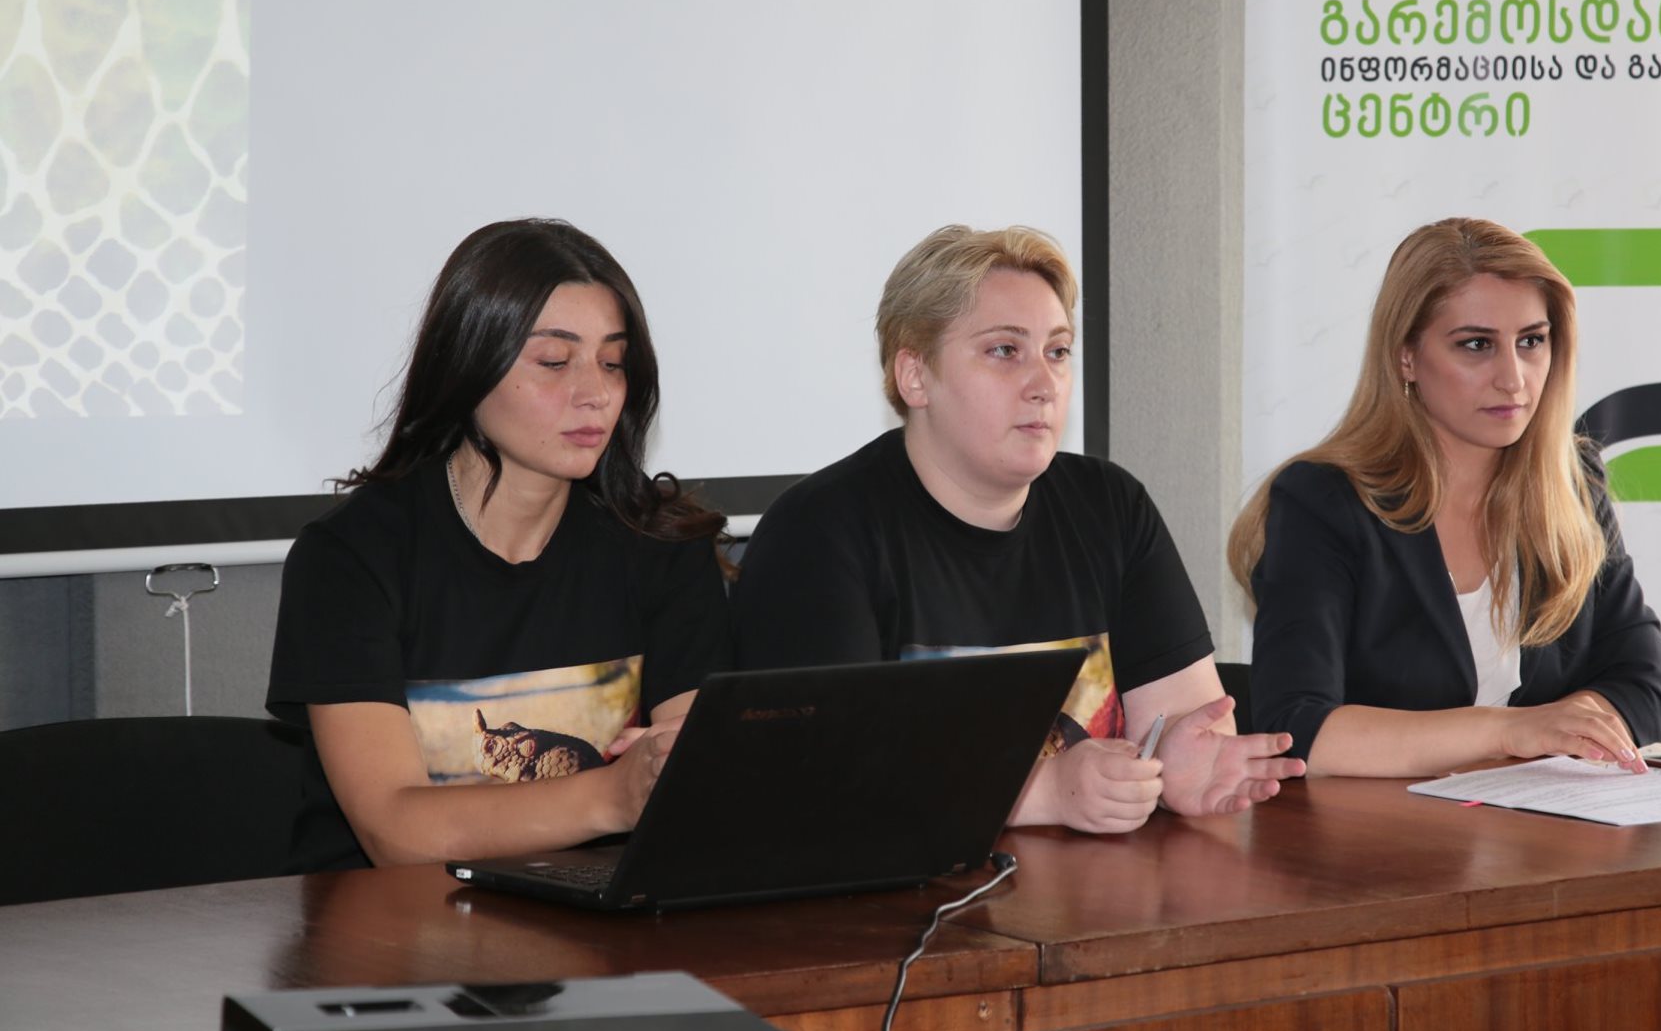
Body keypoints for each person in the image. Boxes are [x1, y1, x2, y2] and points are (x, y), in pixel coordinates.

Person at [733, 224, 1304, 833]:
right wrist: (1042, 792)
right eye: (1005, 351)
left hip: (1100, 885)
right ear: (915, 375)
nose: (1044, 385)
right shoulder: (818, 533)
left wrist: (1173, 766)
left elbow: (1187, 721)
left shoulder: (1110, 507)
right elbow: (819, 782)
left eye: (1057, 352)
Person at [266, 218, 730, 871]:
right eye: (554, 362)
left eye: (613, 363)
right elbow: (394, 831)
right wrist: (613, 795)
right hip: (389, 924)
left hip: (594, 919)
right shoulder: (352, 557)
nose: (596, 393)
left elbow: (696, 783)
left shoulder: (662, 545)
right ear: (469, 366)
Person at [1227, 217, 1661, 777]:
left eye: (1531, 341)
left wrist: (1571, 725)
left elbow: (1644, 684)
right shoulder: (1323, 500)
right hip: (1382, 829)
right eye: (1477, 345)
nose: (1514, 378)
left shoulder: (1573, 481)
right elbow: (1297, 730)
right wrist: (1511, 731)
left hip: (1545, 821)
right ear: (1406, 356)